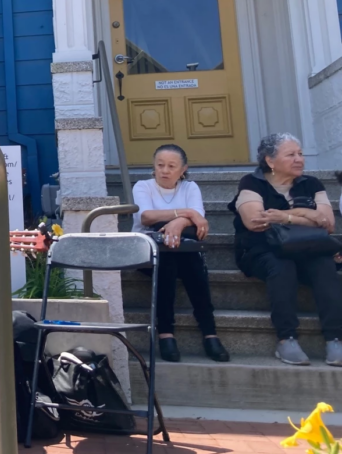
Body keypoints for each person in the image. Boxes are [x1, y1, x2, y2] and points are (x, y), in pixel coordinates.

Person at [230, 133, 342, 366]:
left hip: (307, 248)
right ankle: (286, 338)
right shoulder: (252, 183)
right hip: (261, 250)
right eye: (291, 154)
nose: (299, 159)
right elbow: (255, 222)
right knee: (282, 267)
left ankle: (335, 339)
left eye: (300, 154)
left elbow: (329, 223)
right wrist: (311, 215)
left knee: (324, 266)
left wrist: (285, 216)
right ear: (270, 161)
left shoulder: (311, 184)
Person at [131, 144, 229, 363]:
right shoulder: (143, 186)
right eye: (160, 165)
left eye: (171, 166)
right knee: (166, 264)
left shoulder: (190, 188)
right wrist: (186, 214)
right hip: (147, 252)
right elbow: (146, 217)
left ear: (183, 169)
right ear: (153, 167)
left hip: (183, 248)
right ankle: (166, 332)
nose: (165, 171)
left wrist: (177, 223)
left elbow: (199, 218)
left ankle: (209, 332)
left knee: (194, 267)